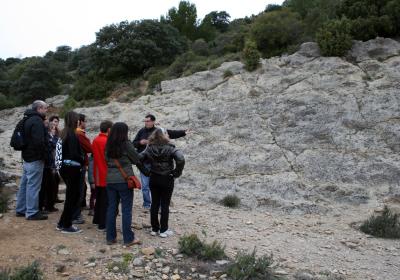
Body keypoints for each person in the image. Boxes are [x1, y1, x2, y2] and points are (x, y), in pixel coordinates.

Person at [105, 122, 149, 246]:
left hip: (110, 180)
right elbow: (137, 159)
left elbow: (105, 160)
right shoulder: (126, 144)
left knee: (111, 208)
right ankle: (128, 239)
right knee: (126, 210)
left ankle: (110, 237)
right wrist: (146, 152)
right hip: (125, 180)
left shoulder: (108, 144)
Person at [132, 114, 188, 210]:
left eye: (148, 121)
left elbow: (171, 133)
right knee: (145, 186)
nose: (146, 123)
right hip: (144, 160)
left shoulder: (159, 130)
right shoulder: (141, 131)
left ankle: (158, 205)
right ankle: (147, 204)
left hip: (155, 163)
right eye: (145, 121)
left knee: (156, 186)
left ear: (153, 121)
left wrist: (183, 132)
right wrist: (140, 142)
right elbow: (134, 143)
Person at [140, 128, 185, 238]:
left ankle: (154, 229)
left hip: (154, 177)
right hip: (167, 178)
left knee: (154, 203)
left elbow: (138, 159)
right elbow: (181, 159)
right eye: (166, 133)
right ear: (164, 136)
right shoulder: (171, 147)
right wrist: (176, 173)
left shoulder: (149, 148)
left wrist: (146, 172)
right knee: (165, 204)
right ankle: (163, 230)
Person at [15, 100, 48, 220]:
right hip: (35, 158)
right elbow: (39, 141)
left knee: (25, 184)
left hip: (26, 157)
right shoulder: (37, 121)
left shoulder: (26, 119)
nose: (46, 111)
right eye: (45, 108)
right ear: (39, 108)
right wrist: (45, 155)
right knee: (33, 185)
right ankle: (32, 212)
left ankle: (21, 209)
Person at [56, 111, 84, 233]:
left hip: (64, 168)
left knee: (70, 196)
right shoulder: (72, 135)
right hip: (72, 169)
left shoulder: (64, 133)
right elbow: (73, 154)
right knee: (72, 197)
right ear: (74, 120)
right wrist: (82, 158)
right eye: (77, 119)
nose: (79, 121)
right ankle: (67, 225)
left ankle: (62, 223)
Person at [92, 120, 113, 231]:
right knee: (106, 200)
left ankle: (96, 219)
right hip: (106, 173)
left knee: (99, 198)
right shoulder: (107, 141)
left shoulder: (95, 140)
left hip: (97, 173)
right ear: (109, 129)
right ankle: (103, 224)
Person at [72, 113, 92, 224]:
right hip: (78, 165)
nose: (86, 123)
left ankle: (76, 212)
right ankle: (75, 215)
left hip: (73, 164)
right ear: (80, 122)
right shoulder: (79, 134)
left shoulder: (71, 132)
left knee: (79, 189)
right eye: (85, 121)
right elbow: (89, 148)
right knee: (78, 190)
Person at [38, 116, 58, 213]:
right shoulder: (45, 135)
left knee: (51, 185)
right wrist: (53, 138)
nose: (54, 126)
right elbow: (52, 146)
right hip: (47, 163)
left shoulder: (50, 134)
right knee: (45, 186)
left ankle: (49, 205)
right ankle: (44, 206)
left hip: (50, 163)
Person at [49, 115, 63, 204]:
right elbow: (53, 143)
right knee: (52, 180)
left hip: (57, 158)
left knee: (56, 179)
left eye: (57, 121)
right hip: (51, 159)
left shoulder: (59, 132)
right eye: (54, 121)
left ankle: (55, 197)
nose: (56, 123)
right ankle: (51, 199)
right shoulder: (49, 131)